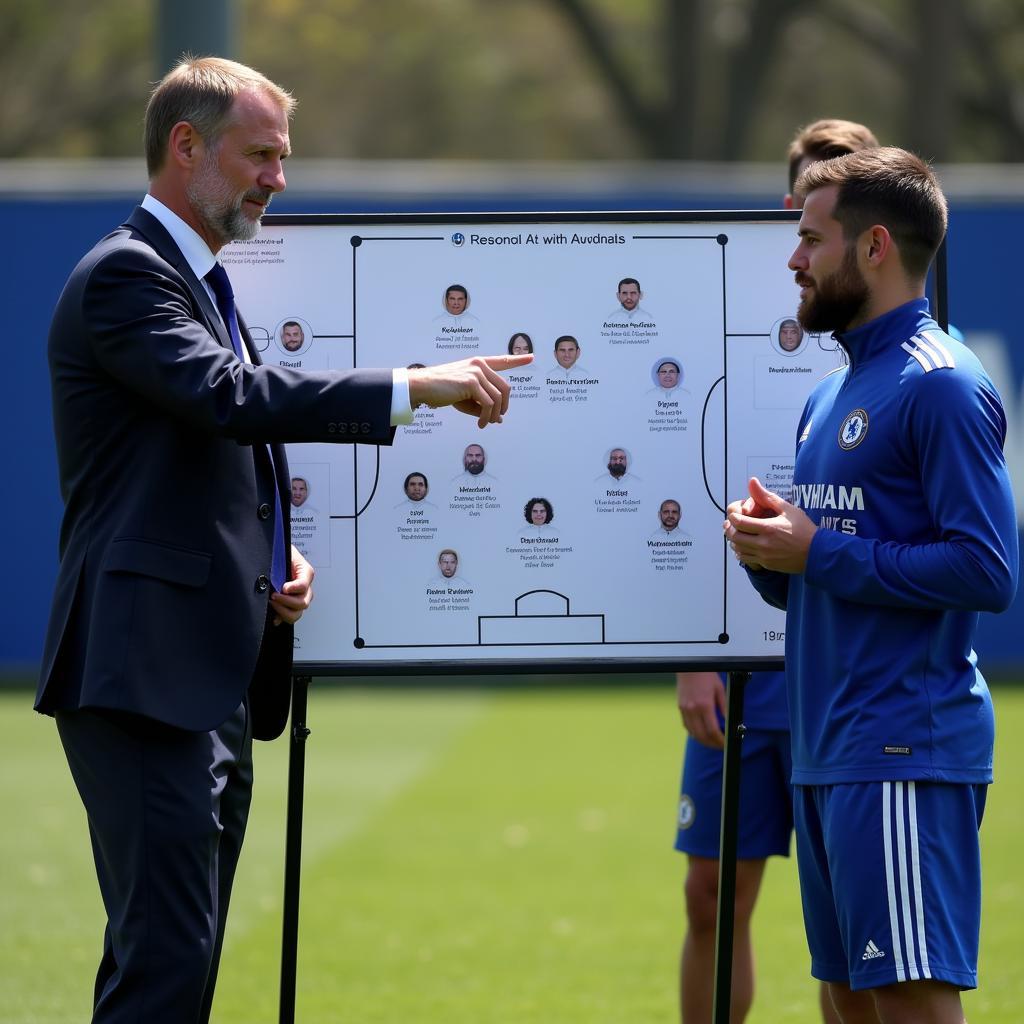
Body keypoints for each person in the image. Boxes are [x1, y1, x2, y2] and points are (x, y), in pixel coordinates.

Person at [35, 56, 531, 1024]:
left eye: (282, 156)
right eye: (261, 154)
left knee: (176, 956)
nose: (279, 178)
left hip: (203, 675)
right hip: (140, 674)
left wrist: (268, 564)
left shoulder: (192, 279)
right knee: (167, 958)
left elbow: (204, 453)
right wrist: (416, 384)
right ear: (186, 147)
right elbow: (229, 400)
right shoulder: (127, 275)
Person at [726, 147, 1017, 1023]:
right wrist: (773, 557)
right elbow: (831, 569)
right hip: (829, 752)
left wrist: (818, 554)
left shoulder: (944, 385)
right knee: (849, 1001)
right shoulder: (832, 393)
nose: (793, 259)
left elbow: (985, 569)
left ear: (875, 247)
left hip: (901, 750)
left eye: (811, 239)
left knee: (909, 1004)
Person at [675, 118, 880, 1024]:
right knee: (711, 898)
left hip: (836, 670)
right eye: (797, 210)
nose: (803, 237)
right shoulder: (716, 312)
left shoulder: (883, 343)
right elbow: (678, 488)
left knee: (843, 928)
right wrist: (692, 652)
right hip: (737, 670)